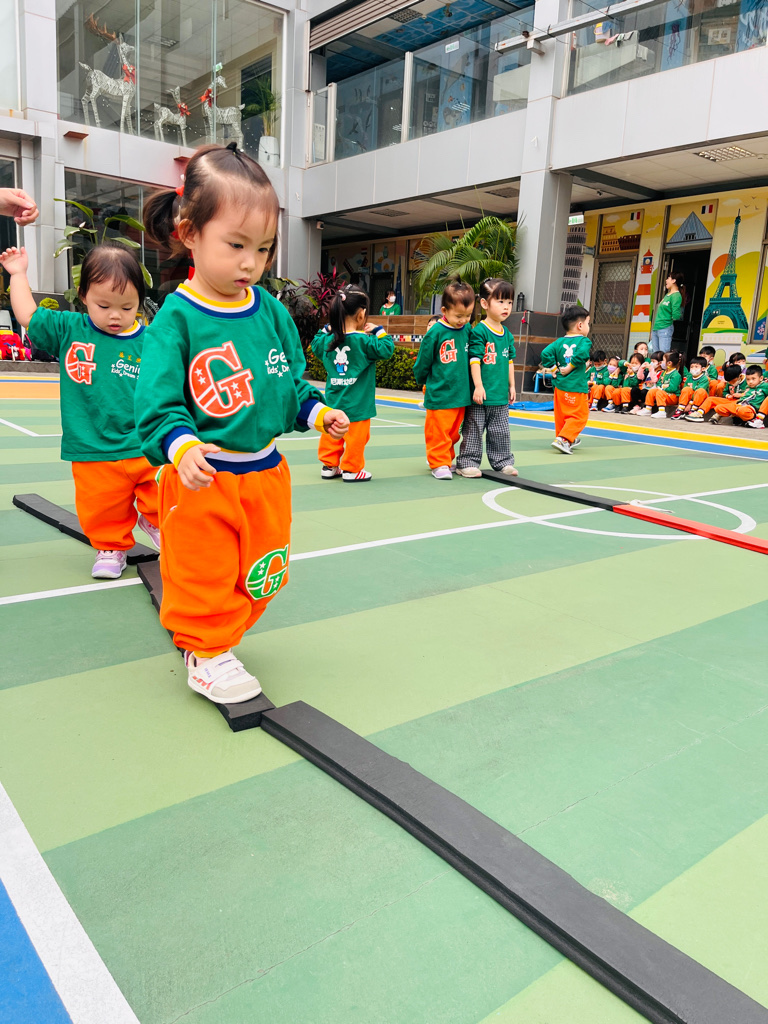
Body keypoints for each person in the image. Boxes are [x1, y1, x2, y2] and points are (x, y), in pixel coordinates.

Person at [136, 143, 349, 705]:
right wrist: (181, 448)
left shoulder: (270, 311)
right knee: (205, 569)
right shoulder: (176, 320)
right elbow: (156, 403)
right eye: (236, 245)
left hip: (265, 474)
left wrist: (318, 412)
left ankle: (218, 637)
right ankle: (205, 651)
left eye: (264, 248)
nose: (251, 262)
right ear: (190, 233)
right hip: (202, 476)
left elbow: (289, 382)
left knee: (265, 571)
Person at [0, 243, 159, 579]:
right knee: (101, 504)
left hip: (142, 441)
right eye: (104, 305)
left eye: (127, 307)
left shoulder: (151, 342)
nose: (115, 316)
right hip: (91, 444)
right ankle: (111, 547)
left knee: (164, 489)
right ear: (84, 296)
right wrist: (17, 274)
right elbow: (28, 315)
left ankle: (156, 521)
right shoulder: (69, 328)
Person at [311, 284, 394, 482]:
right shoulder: (365, 342)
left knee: (331, 433)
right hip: (359, 404)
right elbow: (387, 348)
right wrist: (379, 331)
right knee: (357, 437)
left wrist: (327, 328)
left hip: (333, 401)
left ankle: (329, 465)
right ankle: (352, 469)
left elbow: (315, 343)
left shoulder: (328, 341)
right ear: (361, 315)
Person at [455, 277, 517, 478]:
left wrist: (512, 386)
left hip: (500, 396)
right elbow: (474, 360)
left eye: (509, 302)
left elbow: (509, 361)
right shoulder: (479, 331)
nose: (506, 306)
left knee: (501, 432)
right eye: (500, 301)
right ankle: (467, 462)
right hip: (480, 396)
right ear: (484, 303)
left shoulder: (507, 334)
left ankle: (503, 462)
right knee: (473, 430)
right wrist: (478, 386)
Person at [413, 280, 474, 479]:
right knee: (438, 430)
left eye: (468, 315)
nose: (463, 320)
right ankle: (438, 462)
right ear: (444, 311)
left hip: (461, 393)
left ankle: (446, 459)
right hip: (440, 392)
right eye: (459, 316)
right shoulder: (436, 332)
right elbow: (424, 360)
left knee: (454, 432)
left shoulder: (466, 330)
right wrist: (422, 379)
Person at [540, 305, 592, 455]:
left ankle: (565, 437)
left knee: (561, 415)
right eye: (588, 323)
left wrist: (553, 369)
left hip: (560, 386)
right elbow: (582, 354)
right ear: (580, 325)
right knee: (580, 415)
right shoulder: (584, 341)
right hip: (575, 386)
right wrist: (570, 367)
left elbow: (545, 353)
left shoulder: (558, 342)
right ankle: (564, 439)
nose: (588, 327)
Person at [696, 365, 767, 425]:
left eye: (753, 379)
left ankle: (724, 415)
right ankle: (698, 413)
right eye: (748, 379)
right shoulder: (747, 385)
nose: (750, 381)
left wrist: (741, 395)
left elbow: (751, 395)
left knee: (742, 410)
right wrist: (728, 395)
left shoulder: (758, 384)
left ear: (740, 376)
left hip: (745, 405)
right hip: (735, 402)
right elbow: (725, 392)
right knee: (715, 403)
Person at [638, 349, 682, 417]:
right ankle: (648, 409)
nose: (661, 362)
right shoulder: (664, 373)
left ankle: (662, 411)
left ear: (669, 363)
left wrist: (662, 389)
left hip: (672, 396)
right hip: (664, 393)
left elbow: (672, 388)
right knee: (652, 391)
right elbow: (659, 383)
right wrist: (659, 387)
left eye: (663, 360)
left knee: (659, 392)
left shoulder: (676, 375)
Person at [650, 272, 684, 352]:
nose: (666, 280)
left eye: (668, 278)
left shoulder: (676, 296)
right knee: (655, 355)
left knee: (663, 354)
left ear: (674, 280)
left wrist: (668, 320)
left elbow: (676, 315)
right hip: (657, 327)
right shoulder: (668, 295)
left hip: (665, 328)